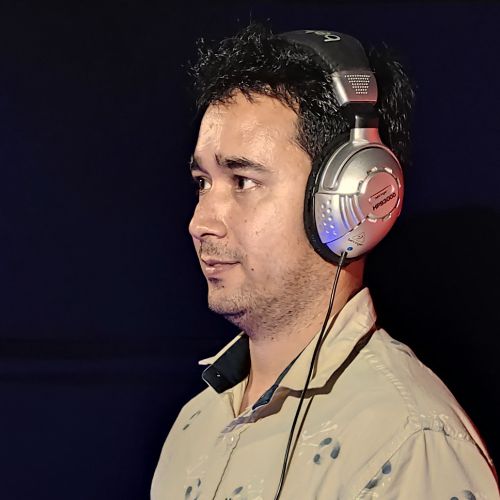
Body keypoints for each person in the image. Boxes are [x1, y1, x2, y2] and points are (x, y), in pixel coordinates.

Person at [151, 23, 498, 499]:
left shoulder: (407, 442)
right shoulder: (194, 425)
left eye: (243, 181)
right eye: (202, 183)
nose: (200, 222)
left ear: (350, 199)